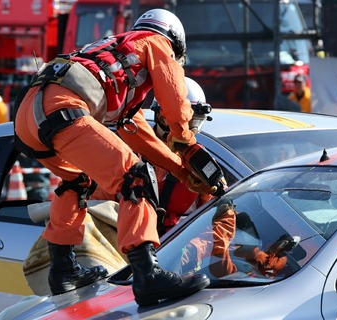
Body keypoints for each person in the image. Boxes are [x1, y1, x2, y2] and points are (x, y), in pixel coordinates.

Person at [13, 8, 217, 306]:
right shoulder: (155, 42)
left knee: (76, 182)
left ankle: (63, 270)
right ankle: (147, 275)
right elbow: (175, 97)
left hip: (29, 117)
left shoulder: (117, 53)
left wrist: (182, 170)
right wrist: (187, 143)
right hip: (63, 108)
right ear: (175, 43)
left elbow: (136, 133)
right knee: (135, 177)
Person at [145, 76, 215, 236]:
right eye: (184, 123)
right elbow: (101, 206)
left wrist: (192, 251)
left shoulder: (201, 161)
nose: (189, 132)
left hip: (178, 252)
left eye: (195, 123)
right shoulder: (131, 152)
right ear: (163, 118)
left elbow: (220, 216)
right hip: (126, 251)